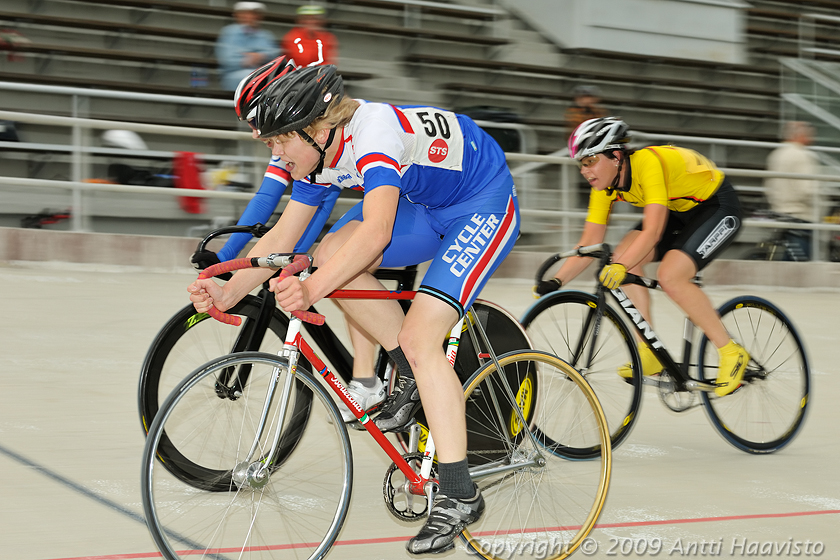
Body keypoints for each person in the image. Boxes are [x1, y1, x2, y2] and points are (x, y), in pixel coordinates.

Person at [187, 64, 519, 554]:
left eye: (280, 141)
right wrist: (228, 292)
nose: (275, 154)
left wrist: (311, 290)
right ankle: (410, 371)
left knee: (420, 336)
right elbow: (284, 234)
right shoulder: (316, 154)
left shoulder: (373, 131)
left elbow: (378, 233)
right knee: (329, 253)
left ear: (317, 130)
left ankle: (459, 492)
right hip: (425, 204)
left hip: (481, 202)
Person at [191, 56, 375, 421]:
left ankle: (367, 378)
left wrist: (293, 258)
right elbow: (266, 201)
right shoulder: (289, 142)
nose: (255, 134)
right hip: (375, 197)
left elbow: (317, 211)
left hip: (401, 198)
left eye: (256, 122)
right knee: (324, 262)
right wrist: (227, 260)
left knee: (338, 261)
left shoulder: (315, 133)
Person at [535, 117, 749, 398]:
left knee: (671, 276)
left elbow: (653, 232)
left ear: (616, 156)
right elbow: (589, 243)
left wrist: (620, 266)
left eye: (590, 161)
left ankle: (731, 351)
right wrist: (556, 281)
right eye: (581, 164)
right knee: (623, 257)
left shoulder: (648, 164)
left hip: (716, 205)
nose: (585, 171)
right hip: (678, 208)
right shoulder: (604, 186)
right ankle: (648, 351)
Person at [764, 121, 820, 259]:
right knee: (800, 258)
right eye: (809, 134)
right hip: (800, 213)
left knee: (792, 255)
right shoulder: (802, 155)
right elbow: (806, 189)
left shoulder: (777, 154)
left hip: (781, 210)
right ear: (799, 135)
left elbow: (769, 184)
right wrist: (820, 205)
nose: (812, 138)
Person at [215, 2, 280, 91]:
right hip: (234, 75)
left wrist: (260, 56)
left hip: (261, 74)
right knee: (254, 78)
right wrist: (251, 59)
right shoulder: (229, 32)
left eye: (253, 14)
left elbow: (274, 56)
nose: (249, 17)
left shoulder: (266, 35)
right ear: (238, 16)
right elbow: (227, 59)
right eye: (245, 13)